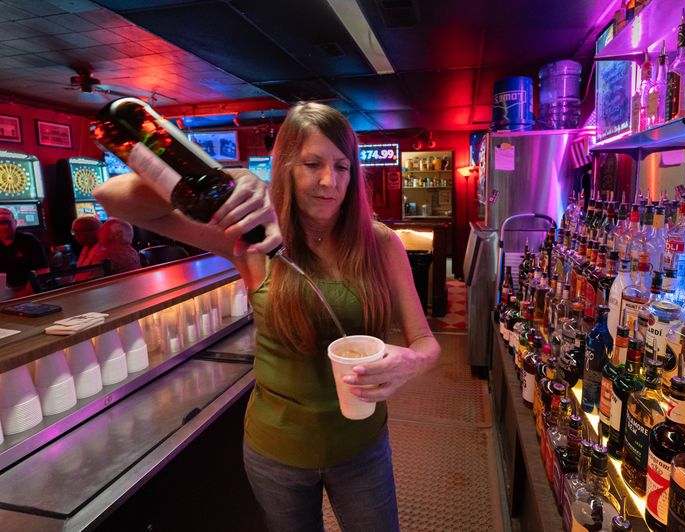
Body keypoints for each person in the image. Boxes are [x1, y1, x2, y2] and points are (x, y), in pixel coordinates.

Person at [94, 102, 440, 531]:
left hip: (360, 446)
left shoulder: (381, 243)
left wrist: (413, 362)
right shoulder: (253, 239)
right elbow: (109, 197)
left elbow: (426, 342)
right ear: (286, 168)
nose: (329, 181)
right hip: (277, 448)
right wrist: (226, 180)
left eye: (342, 167)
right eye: (312, 163)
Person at [0, 207, 49, 289]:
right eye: (1, 223)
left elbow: (43, 271)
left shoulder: (29, 241)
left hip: (28, 291)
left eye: (8, 222)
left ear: (15, 223)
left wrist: (26, 293)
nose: (5, 226)